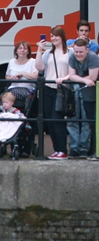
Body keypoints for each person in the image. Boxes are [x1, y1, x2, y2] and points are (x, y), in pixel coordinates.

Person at [36, 26, 72, 159]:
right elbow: (39, 68)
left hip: (62, 89)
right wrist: (39, 50)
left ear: (62, 36)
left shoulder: (70, 52)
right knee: (50, 121)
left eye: (56, 35)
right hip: (48, 88)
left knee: (57, 120)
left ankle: (63, 150)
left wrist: (64, 79)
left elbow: (73, 71)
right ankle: (57, 150)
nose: (53, 38)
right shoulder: (48, 54)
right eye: (51, 36)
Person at [61, 38, 99, 157]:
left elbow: (92, 77)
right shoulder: (73, 56)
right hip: (77, 89)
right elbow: (72, 76)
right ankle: (74, 148)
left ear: (87, 50)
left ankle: (84, 148)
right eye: (76, 51)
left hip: (91, 91)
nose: (78, 54)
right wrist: (83, 80)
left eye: (81, 52)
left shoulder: (93, 57)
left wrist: (80, 79)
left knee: (88, 119)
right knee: (73, 118)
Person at [5, 40, 38, 112]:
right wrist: (12, 78)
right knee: (6, 97)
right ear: (16, 51)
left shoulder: (32, 61)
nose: (22, 50)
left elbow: (36, 76)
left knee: (28, 98)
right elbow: (7, 76)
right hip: (13, 88)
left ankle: (25, 116)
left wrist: (23, 73)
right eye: (20, 48)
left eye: (25, 48)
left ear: (28, 52)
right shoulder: (11, 62)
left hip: (28, 89)